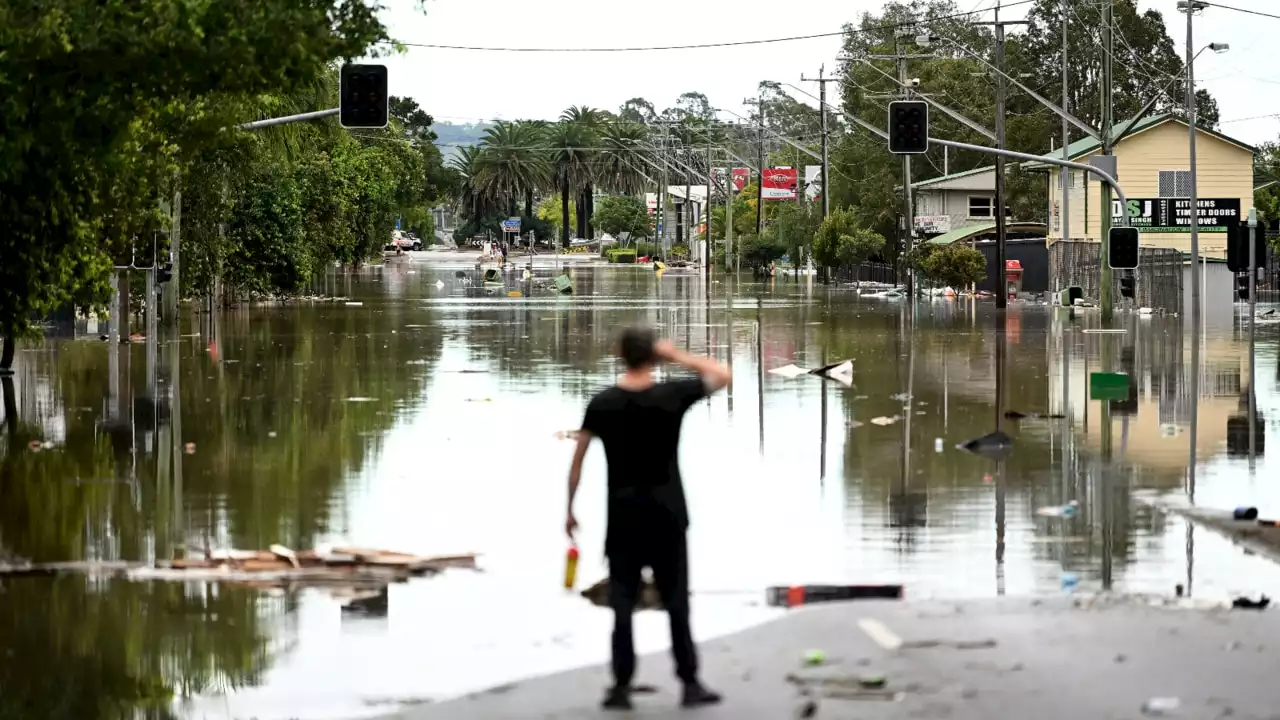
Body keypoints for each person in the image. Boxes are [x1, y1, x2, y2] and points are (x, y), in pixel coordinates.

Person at [565, 328, 731, 710]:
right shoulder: (671, 396)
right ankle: (689, 684)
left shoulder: (603, 403)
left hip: (623, 516)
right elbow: (722, 375)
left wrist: (569, 510)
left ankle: (621, 687)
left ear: (619, 354)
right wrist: (677, 356)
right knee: (676, 600)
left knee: (622, 602)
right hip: (668, 513)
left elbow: (577, 463)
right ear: (653, 356)